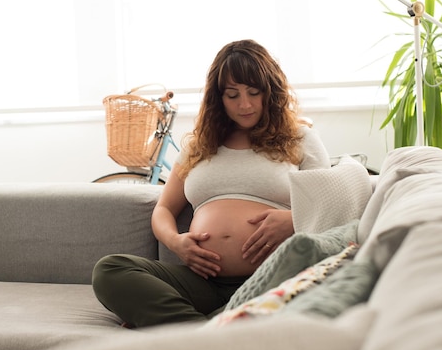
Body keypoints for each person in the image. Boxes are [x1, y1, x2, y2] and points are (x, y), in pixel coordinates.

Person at [92, 39, 330, 328]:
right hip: (203, 284)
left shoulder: (300, 138)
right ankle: (210, 333)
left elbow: (330, 207)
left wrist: (294, 220)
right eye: (233, 95)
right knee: (110, 270)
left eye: (254, 92)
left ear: (271, 92)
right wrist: (176, 242)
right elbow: (164, 208)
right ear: (218, 98)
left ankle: (190, 331)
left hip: (274, 274)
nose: (245, 104)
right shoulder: (199, 145)